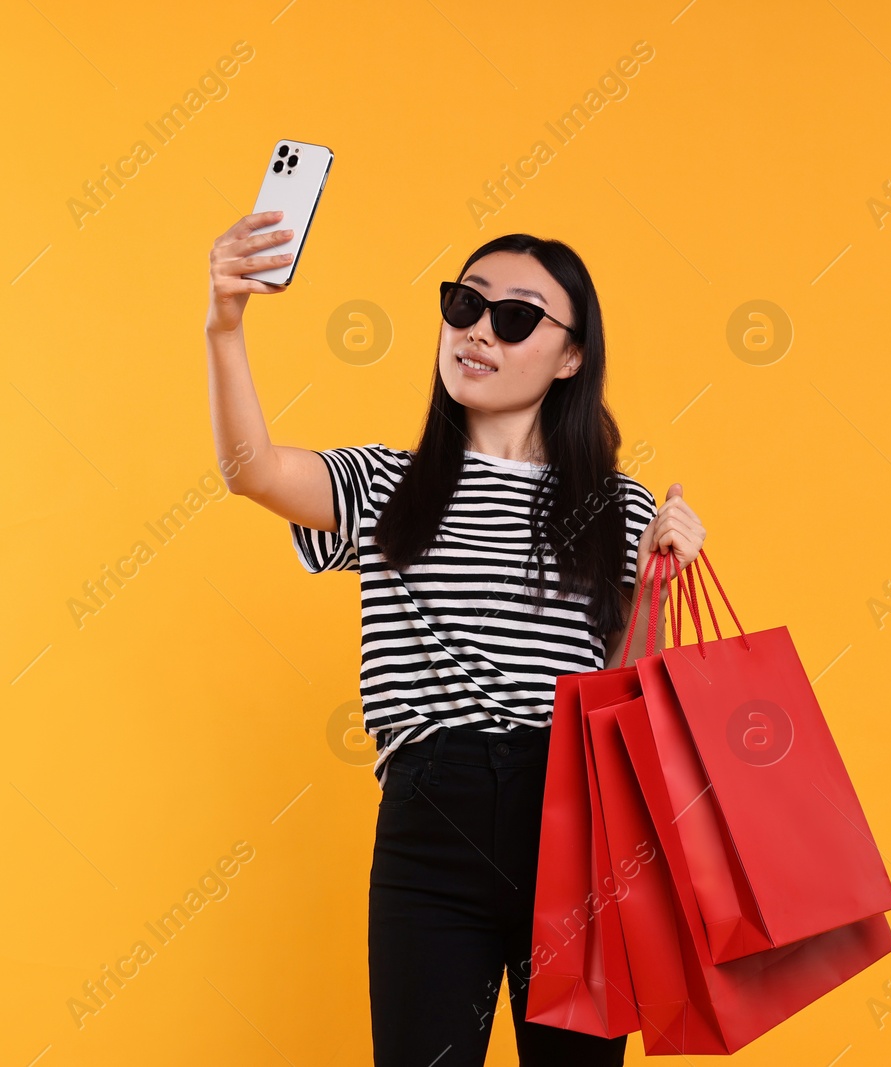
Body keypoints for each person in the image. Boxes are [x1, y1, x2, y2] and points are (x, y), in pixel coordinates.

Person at [204, 211, 707, 1066]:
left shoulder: (615, 508)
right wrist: (224, 323)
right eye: (463, 305)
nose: (478, 331)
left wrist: (662, 569)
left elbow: (632, 690)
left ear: (572, 355)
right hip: (431, 818)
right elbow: (250, 469)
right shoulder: (388, 483)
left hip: (575, 823)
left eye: (515, 318)